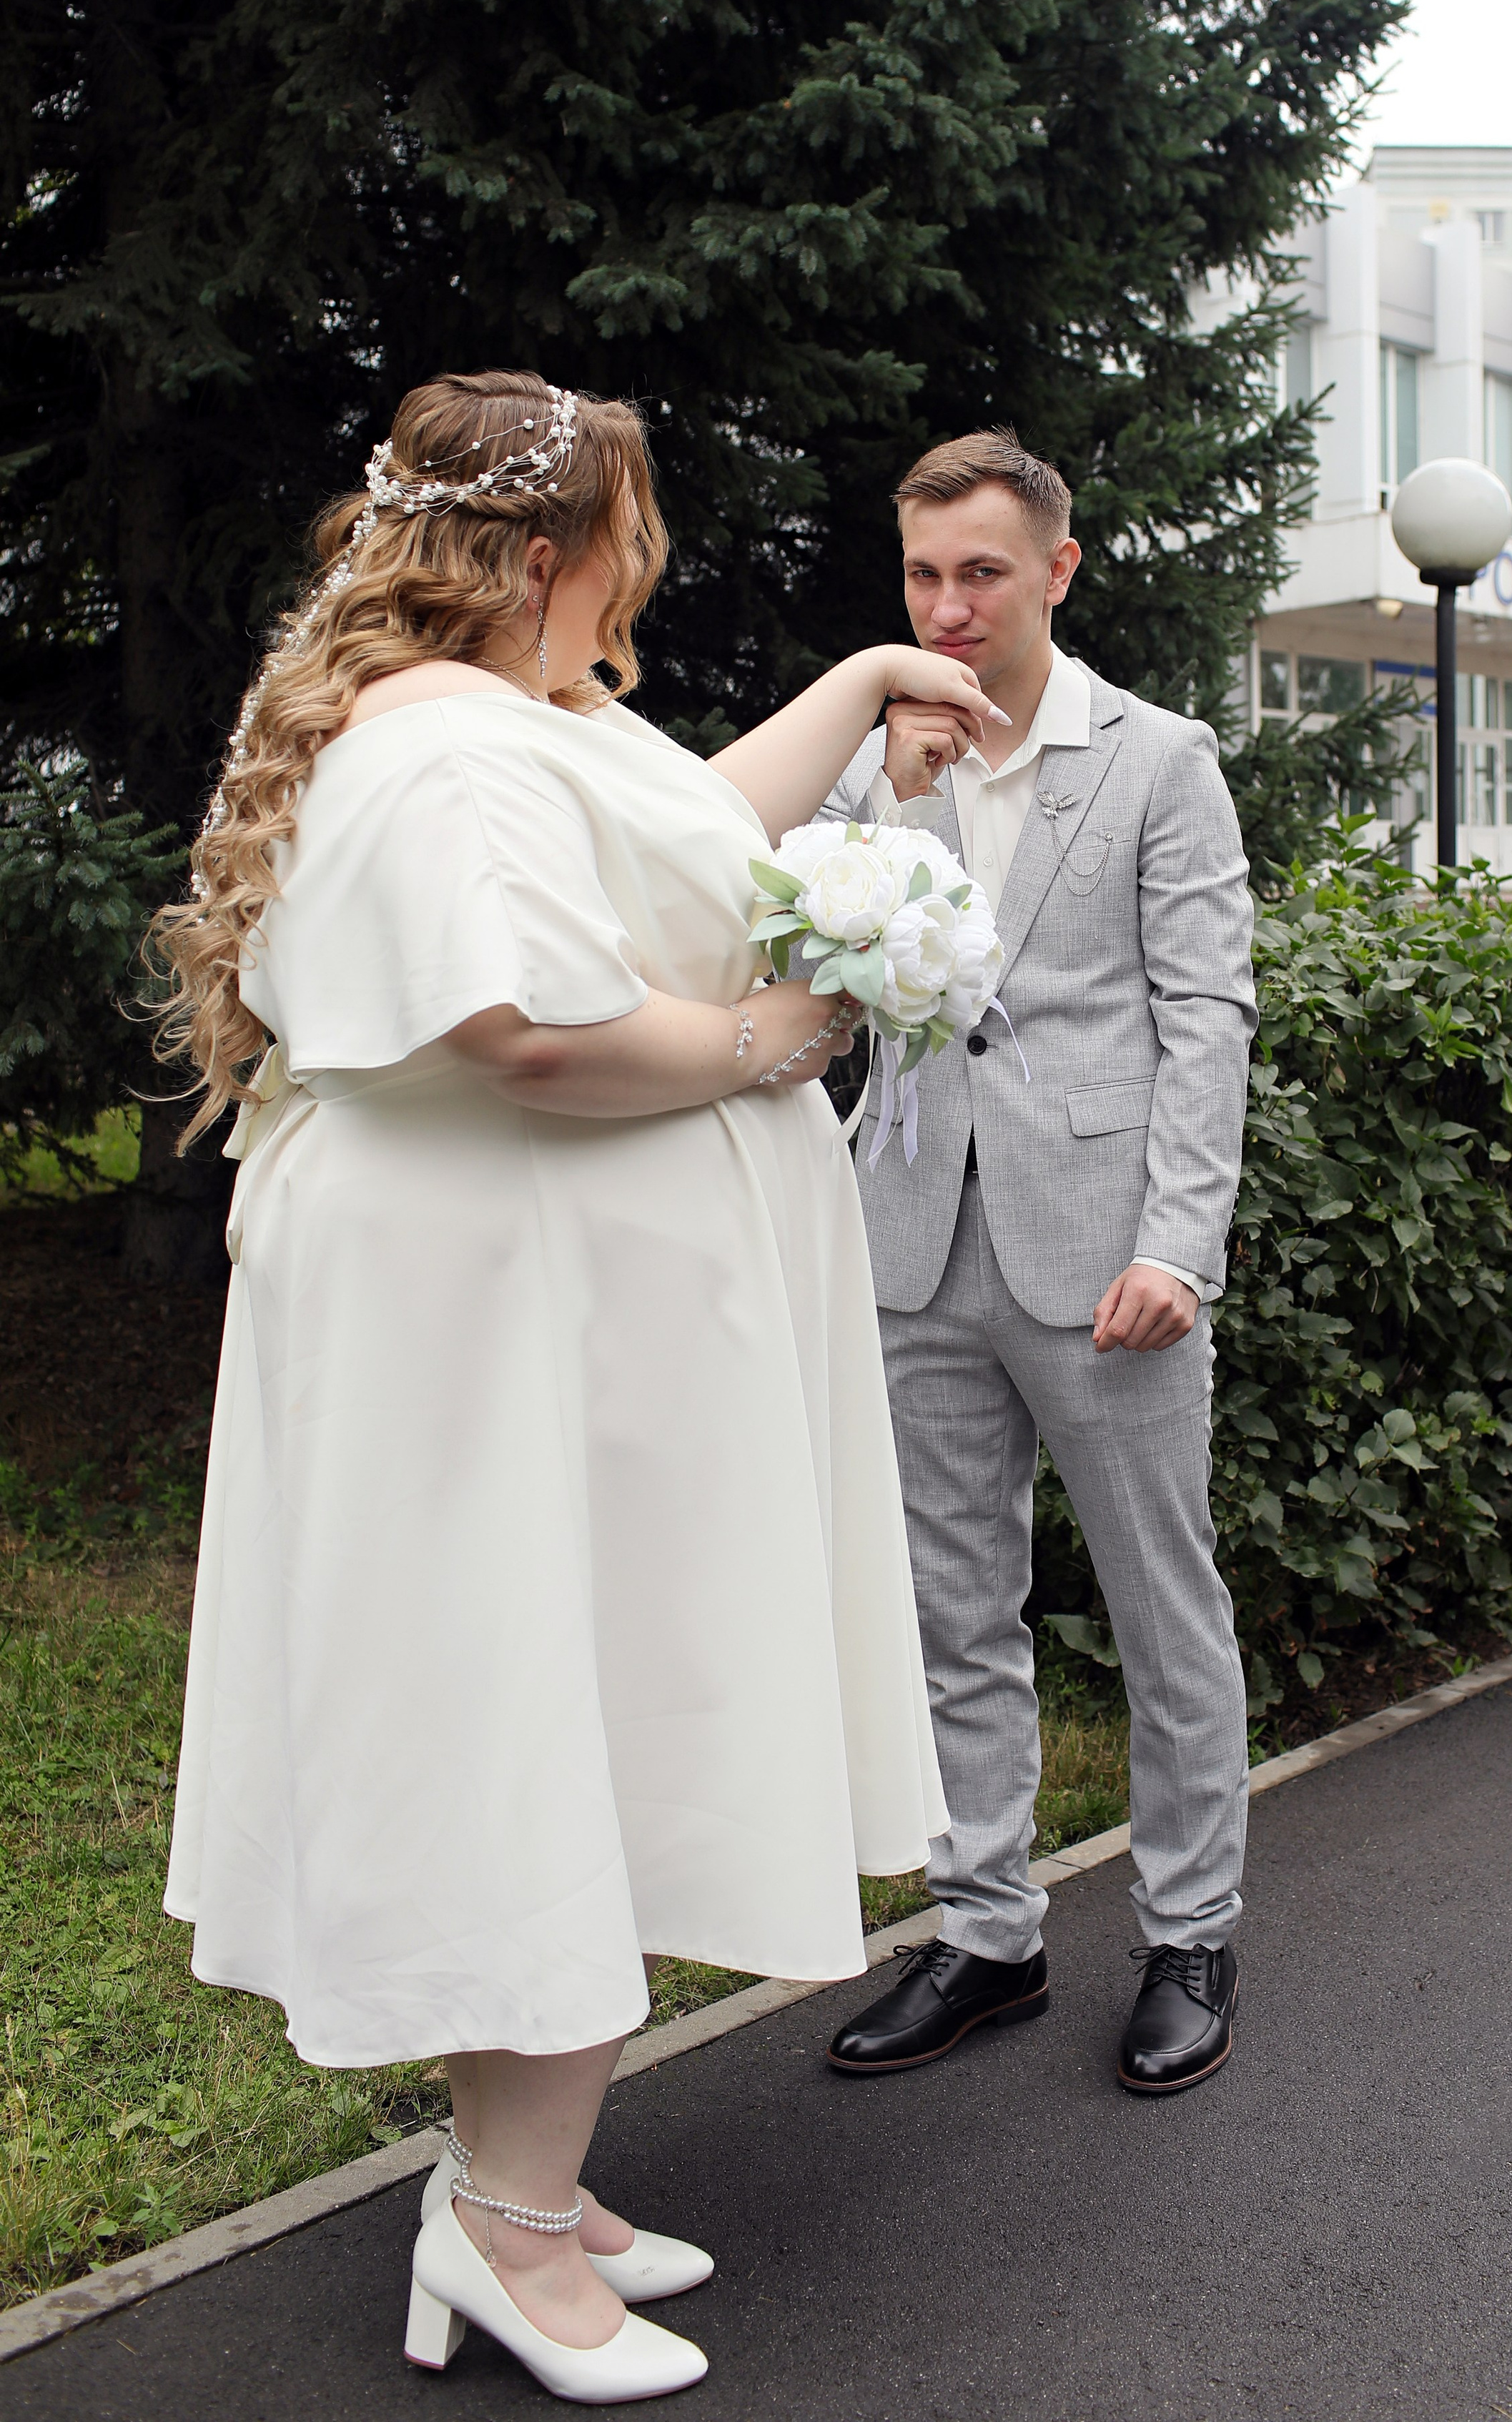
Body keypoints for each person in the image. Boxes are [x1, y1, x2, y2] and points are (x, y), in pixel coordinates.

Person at [155, 372, 996, 2403]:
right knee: (546, 1714)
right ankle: (507, 2229)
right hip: (503, 1330)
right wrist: (779, 1031)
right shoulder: (450, 755)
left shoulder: (514, 719)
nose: (643, 572)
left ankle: (510, 2177)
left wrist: (868, 675)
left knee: (561, 1707)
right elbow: (529, 1032)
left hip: (538, 1317)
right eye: (629, 541)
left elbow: (694, 822)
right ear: (543, 555)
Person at [819, 429, 1258, 2096]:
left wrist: (1179, 1248)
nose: (946, 606)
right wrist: (897, 791)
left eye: (980, 572)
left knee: (1162, 1601)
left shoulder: (1158, 759)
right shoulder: (876, 760)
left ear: (1056, 571)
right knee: (950, 1605)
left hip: (1103, 1262)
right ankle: (985, 1930)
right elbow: (825, 966)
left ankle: (1190, 1931)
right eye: (922, 573)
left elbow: (1204, 1018)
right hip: (910, 1240)